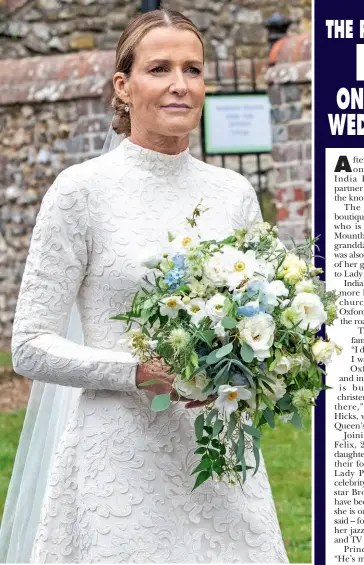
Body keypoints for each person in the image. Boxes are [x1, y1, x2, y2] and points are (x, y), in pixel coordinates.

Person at [0, 8, 289, 564]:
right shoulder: (80, 192)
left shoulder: (233, 193)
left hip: (218, 449)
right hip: (119, 452)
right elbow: (29, 345)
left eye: (194, 69)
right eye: (160, 69)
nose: (181, 85)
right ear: (123, 86)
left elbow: (267, 316)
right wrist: (137, 372)